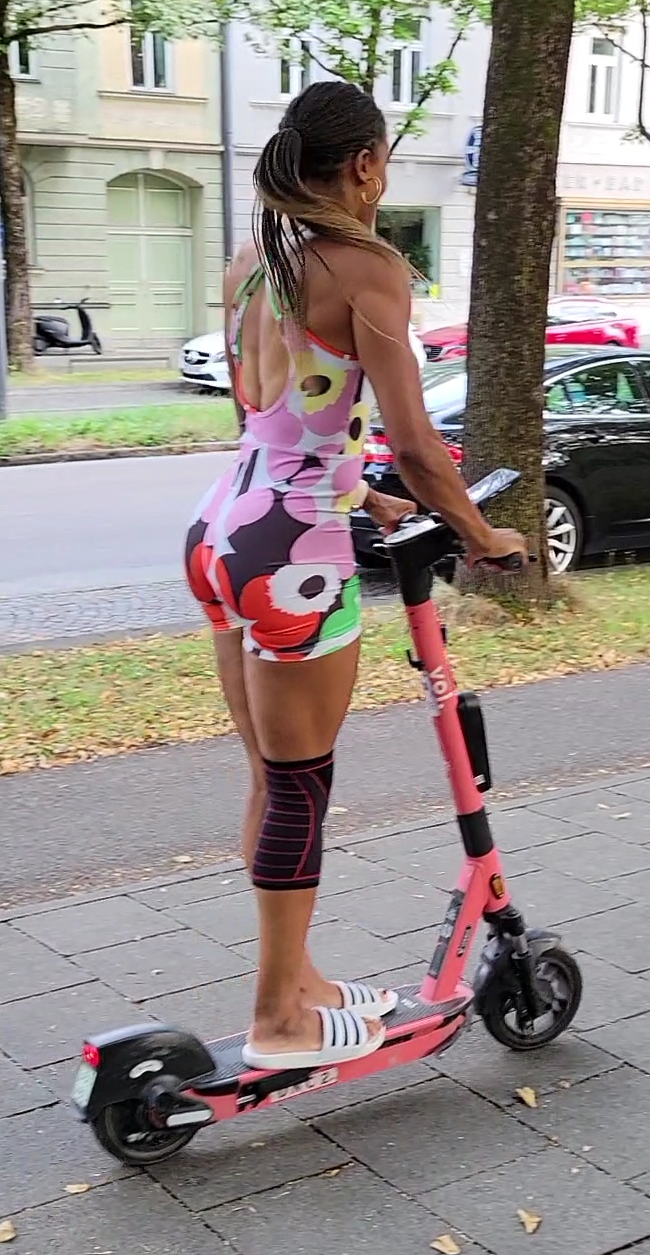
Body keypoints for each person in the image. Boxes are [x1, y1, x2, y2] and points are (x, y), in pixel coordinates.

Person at [184, 79, 525, 1070]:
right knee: (302, 789)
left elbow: (279, 419)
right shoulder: (368, 267)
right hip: (292, 556)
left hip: (222, 529)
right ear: (367, 164)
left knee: (271, 777)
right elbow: (417, 443)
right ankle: (279, 1020)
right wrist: (482, 534)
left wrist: (364, 497)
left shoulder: (253, 261)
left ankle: (299, 983)